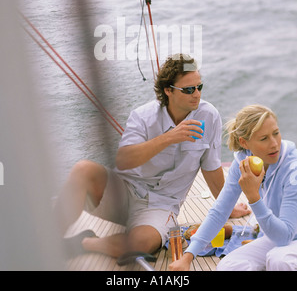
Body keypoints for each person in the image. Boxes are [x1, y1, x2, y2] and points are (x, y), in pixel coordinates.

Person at [54, 54, 249, 259]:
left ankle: (84, 242)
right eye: (189, 89)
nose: (197, 95)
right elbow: (123, 160)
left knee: (140, 244)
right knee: (83, 169)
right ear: (168, 90)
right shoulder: (143, 116)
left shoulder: (209, 116)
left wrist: (227, 208)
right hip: (124, 192)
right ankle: (49, 240)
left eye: (199, 87)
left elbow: (211, 168)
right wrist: (168, 138)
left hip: (162, 206)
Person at [169, 104, 297, 271]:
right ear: (244, 142)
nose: (274, 144)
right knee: (228, 266)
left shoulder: (292, 167)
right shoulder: (243, 162)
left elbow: (284, 237)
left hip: (284, 236)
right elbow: (220, 211)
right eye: (264, 138)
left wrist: (253, 198)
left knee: (279, 260)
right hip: (277, 235)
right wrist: (188, 257)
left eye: (276, 133)